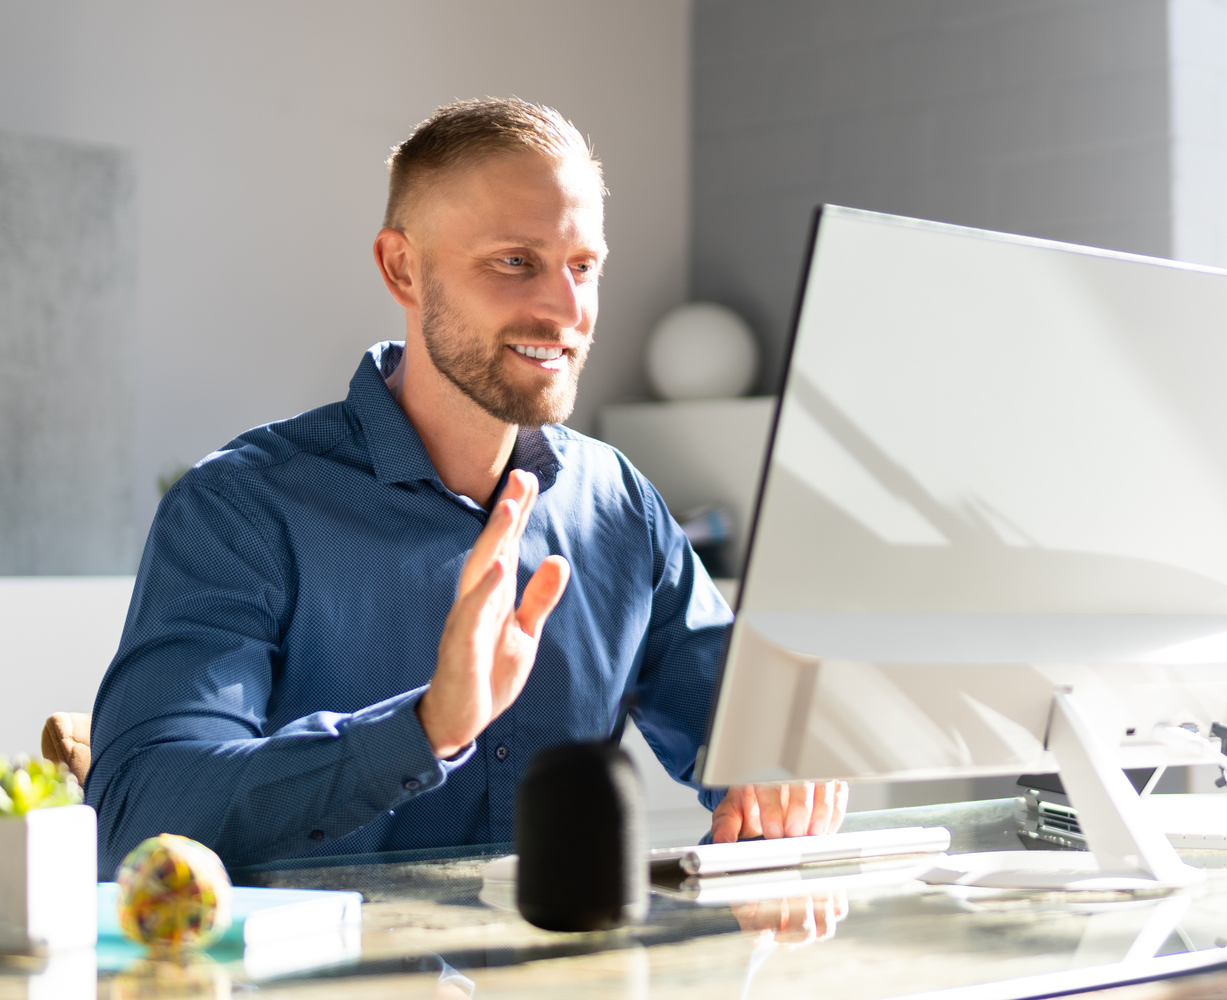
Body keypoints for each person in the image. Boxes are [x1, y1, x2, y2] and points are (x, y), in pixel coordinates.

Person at [84, 98, 841, 872]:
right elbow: (139, 822)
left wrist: (780, 767)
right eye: (515, 261)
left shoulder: (616, 505)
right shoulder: (242, 511)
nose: (566, 310)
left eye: (583, 267)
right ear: (401, 268)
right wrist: (422, 729)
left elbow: (747, 735)